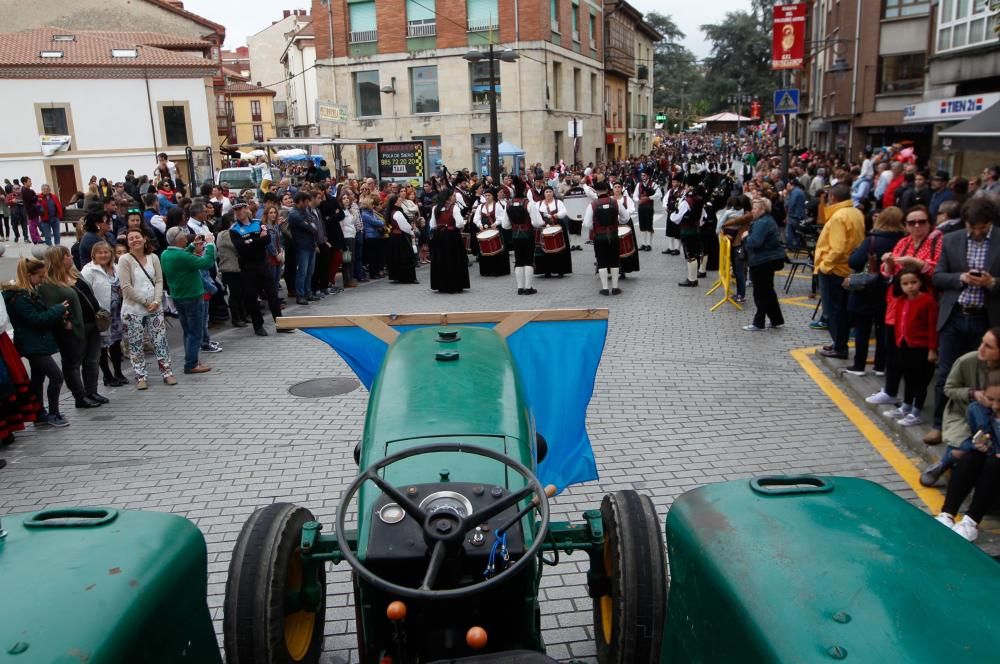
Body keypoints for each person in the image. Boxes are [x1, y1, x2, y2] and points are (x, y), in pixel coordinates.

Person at [928, 197, 1000, 446]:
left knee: (983, 377)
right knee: (946, 373)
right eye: (973, 227)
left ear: (989, 223)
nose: (977, 232)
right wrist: (961, 277)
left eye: (982, 228)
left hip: (985, 320)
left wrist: (991, 283)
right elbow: (938, 277)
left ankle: (977, 429)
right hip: (955, 316)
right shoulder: (952, 239)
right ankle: (938, 425)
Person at [920, 328, 1000, 487]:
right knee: (975, 415)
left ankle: (948, 459)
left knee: (980, 441)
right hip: (965, 413)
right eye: (981, 342)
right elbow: (948, 388)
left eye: (988, 346)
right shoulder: (967, 361)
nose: (981, 349)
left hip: (996, 416)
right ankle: (948, 462)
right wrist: (972, 393)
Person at [2, 257, 69, 427]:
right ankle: (53, 413)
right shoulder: (19, 298)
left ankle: (39, 413)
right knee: (56, 376)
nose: (42, 280)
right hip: (32, 344)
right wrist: (57, 309)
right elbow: (36, 320)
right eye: (39, 276)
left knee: (37, 379)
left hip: (37, 342)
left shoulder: (29, 292)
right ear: (29, 275)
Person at [935, 369, 1000, 542]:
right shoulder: (976, 409)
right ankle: (947, 514)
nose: (995, 406)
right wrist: (976, 445)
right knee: (970, 457)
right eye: (990, 399)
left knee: (993, 463)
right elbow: (975, 437)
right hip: (990, 460)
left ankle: (972, 521)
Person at [40, 246, 105, 408]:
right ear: (59, 260)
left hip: (92, 324)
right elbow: (49, 306)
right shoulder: (49, 284)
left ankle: (92, 391)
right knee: (73, 364)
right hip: (72, 330)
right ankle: (79, 396)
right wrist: (64, 322)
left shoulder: (75, 273)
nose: (71, 257)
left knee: (92, 361)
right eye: (67, 255)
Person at [843, 207, 906, 377]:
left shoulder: (873, 240)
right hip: (891, 290)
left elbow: (854, 262)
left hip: (867, 289)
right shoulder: (904, 241)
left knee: (863, 327)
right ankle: (880, 365)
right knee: (883, 328)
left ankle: (859, 365)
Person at [879, 268, 938, 427]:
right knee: (908, 377)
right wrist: (899, 342)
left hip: (921, 347)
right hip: (904, 346)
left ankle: (917, 410)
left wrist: (932, 349)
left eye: (914, 282)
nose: (910, 286)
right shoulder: (901, 301)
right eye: (905, 283)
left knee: (921, 380)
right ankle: (906, 405)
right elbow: (898, 324)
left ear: (920, 282)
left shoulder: (928, 301)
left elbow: (933, 327)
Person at [117, 229, 175, 390]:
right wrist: (144, 302)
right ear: (127, 242)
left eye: (137, 237)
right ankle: (140, 375)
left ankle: (167, 372)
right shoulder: (124, 260)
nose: (135, 240)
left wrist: (156, 300)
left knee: (160, 340)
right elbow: (126, 286)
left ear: (144, 239)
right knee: (136, 343)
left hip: (154, 307)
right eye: (131, 238)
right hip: (133, 309)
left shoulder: (153, 257)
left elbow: (158, 280)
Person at [814, 184, 866, 359]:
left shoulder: (838, 216)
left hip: (834, 269)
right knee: (841, 309)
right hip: (847, 267)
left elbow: (838, 248)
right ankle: (838, 342)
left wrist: (825, 266)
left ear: (833, 198)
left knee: (833, 311)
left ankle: (840, 345)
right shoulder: (856, 212)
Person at [160, 226, 216, 374]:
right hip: (192, 297)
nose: (187, 239)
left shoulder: (166, 254)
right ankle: (191, 364)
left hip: (179, 297)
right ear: (179, 240)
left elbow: (182, 257)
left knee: (187, 331)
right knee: (195, 332)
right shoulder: (182, 257)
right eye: (185, 237)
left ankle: (191, 359)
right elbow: (207, 263)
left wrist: (192, 246)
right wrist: (210, 245)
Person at [229, 201, 290, 336]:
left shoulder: (258, 223)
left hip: (263, 265)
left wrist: (251, 241)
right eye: (236, 210)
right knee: (251, 298)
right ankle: (258, 326)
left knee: (272, 295)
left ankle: (281, 324)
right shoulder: (234, 230)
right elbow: (242, 249)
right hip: (247, 268)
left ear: (246, 210)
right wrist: (257, 240)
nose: (238, 212)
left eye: (241, 209)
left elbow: (267, 239)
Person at [81, 241, 127, 387]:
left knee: (116, 343)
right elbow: (85, 294)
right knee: (102, 346)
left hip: (117, 313)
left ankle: (118, 372)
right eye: (100, 253)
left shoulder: (116, 267)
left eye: (106, 252)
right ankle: (107, 376)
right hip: (101, 315)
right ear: (93, 255)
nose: (103, 255)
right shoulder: (88, 271)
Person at [741, 197, 786, 331]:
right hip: (767, 259)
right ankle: (777, 319)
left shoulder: (762, 222)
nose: (752, 211)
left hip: (763, 261)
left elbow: (755, 242)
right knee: (768, 291)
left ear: (762, 209)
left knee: (761, 293)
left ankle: (758, 322)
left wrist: (746, 237)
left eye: (754, 208)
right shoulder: (766, 220)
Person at [582, 180, 628, 295]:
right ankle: (616, 288)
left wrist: (596, 228)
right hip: (613, 236)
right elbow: (626, 218)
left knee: (601, 262)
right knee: (614, 261)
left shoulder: (593, 205)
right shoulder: (616, 202)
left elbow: (586, 224)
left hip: (599, 238)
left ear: (596, 191)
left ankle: (605, 288)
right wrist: (618, 222)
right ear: (608, 190)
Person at [501, 181, 543, 294]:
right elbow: (537, 222)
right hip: (528, 234)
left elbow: (505, 225)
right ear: (525, 190)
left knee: (519, 260)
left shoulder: (508, 204)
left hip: (515, 235)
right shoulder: (528, 203)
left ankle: (520, 288)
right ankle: (528, 288)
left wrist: (514, 225)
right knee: (528, 260)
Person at [428, 189, 470, 293]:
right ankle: (454, 284)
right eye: (453, 196)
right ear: (448, 197)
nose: (454, 197)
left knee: (440, 259)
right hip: (451, 236)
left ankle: (441, 284)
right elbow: (460, 223)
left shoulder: (435, 208)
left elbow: (432, 225)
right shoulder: (454, 208)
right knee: (453, 259)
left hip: (439, 236)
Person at [718, 195, 753, 304]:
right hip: (737, 244)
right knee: (739, 271)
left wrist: (726, 223)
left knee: (739, 271)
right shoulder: (744, 213)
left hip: (740, 245)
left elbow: (739, 220)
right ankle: (739, 293)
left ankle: (741, 295)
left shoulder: (747, 214)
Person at [535, 186, 573, 278]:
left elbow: (565, 211)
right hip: (544, 227)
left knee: (560, 249)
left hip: (558, 226)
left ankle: (560, 270)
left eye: (550, 191)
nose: (548, 193)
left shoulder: (558, 202)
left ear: (553, 193)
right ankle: (546, 271)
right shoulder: (538, 204)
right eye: (546, 191)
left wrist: (557, 215)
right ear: (543, 194)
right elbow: (535, 215)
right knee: (545, 250)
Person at [288, 192, 319, 304]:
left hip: (310, 245)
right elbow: (310, 227)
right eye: (306, 201)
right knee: (302, 271)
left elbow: (313, 225)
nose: (308, 203)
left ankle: (308, 292)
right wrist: (310, 225)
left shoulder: (305, 211)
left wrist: (310, 225)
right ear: (300, 201)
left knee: (309, 271)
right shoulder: (294, 214)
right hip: (301, 246)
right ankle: (300, 295)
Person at [673, 185, 706, 288]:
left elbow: (676, 218)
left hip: (687, 231)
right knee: (694, 254)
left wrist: (672, 214)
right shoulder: (699, 200)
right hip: (696, 230)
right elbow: (704, 216)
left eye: (687, 186)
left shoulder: (686, 202)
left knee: (689, 255)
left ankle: (692, 279)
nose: (685, 188)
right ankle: (694, 278)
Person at [473, 189, 511, 278]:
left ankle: (498, 270)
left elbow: (501, 218)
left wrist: (495, 224)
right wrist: (479, 225)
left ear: (492, 196)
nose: (487, 197)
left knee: (498, 250)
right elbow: (476, 218)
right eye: (485, 195)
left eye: (489, 195)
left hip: (495, 231)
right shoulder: (480, 206)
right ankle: (486, 271)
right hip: (484, 231)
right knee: (484, 250)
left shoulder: (497, 205)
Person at [384, 194, 419, 284]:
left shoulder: (391, 212)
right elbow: (404, 226)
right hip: (401, 237)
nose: (401, 202)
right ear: (395, 203)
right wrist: (411, 232)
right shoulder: (397, 213)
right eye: (399, 201)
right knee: (407, 257)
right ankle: (408, 277)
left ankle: (398, 276)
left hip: (394, 237)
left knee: (397, 257)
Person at [613, 182, 640, 278]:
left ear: (622, 189)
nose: (617, 189)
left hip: (625, 223)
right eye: (615, 187)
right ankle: (616, 268)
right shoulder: (611, 199)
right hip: (614, 224)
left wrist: (622, 214)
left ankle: (625, 268)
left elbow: (631, 209)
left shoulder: (627, 199)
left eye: (619, 187)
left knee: (626, 245)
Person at [633, 171, 660, 251]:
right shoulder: (639, 184)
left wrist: (649, 198)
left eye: (644, 175)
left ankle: (649, 244)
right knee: (642, 225)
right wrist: (638, 200)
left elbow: (659, 194)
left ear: (648, 176)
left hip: (649, 207)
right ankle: (643, 244)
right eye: (642, 175)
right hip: (641, 206)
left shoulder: (653, 184)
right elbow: (635, 195)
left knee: (649, 225)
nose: (642, 177)